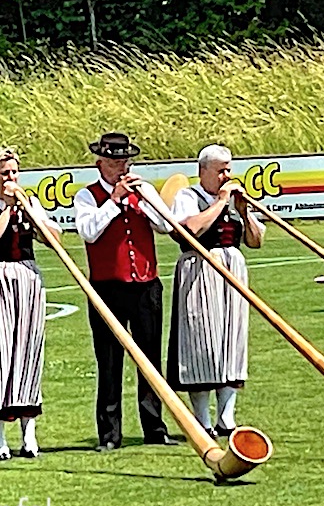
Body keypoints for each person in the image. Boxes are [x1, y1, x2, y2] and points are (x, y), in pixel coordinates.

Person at [74, 132, 177, 450]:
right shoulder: (87, 196)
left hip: (146, 285)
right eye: (115, 162)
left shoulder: (143, 190)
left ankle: (155, 428)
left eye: (125, 162)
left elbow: (167, 225)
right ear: (100, 164)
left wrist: (145, 202)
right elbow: (89, 232)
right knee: (109, 361)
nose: (122, 167)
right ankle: (109, 434)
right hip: (107, 287)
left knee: (150, 359)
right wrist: (114, 201)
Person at [0, 146, 61, 460]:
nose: (11, 178)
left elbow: (54, 239)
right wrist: (7, 209)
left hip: (28, 277)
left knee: (28, 351)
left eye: (15, 172)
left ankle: (29, 435)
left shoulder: (30, 202)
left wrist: (30, 213)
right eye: (5, 173)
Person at [167, 144, 265, 438]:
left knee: (232, 339)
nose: (227, 175)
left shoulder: (235, 200)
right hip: (200, 267)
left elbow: (256, 241)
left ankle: (226, 417)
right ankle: (202, 418)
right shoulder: (188, 197)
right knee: (200, 339)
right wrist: (221, 202)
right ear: (203, 171)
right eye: (221, 170)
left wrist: (244, 212)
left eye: (229, 169)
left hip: (233, 268)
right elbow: (190, 231)